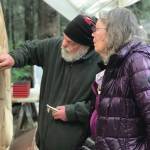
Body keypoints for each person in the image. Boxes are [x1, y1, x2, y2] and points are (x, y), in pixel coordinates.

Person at [0, 15, 101, 150]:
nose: (63, 44)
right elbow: (30, 49)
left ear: (85, 46)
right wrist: (13, 57)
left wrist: (71, 112)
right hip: (42, 142)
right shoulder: (55, 47)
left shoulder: (101, 64)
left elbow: (102, 107)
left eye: (70, 42)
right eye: (64, 37)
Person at [92, 7, 150, 150]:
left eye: (96, 29)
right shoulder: (117, 63)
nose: (92, 34)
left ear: (113, 31)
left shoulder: (137, 61)